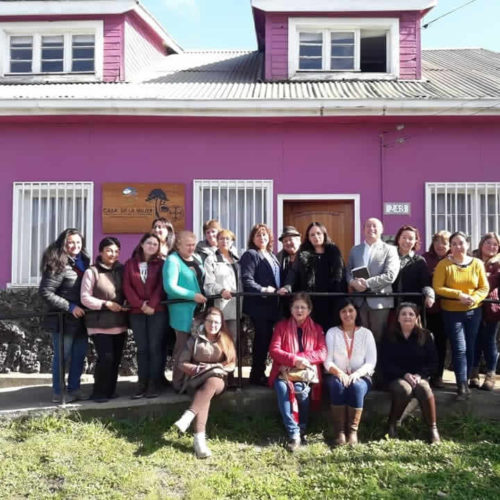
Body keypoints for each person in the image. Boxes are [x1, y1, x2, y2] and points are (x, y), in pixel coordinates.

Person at [172, 307, 236, 458]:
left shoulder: (226, 339)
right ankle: (199, 442)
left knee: (212, 381)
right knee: (204, 397)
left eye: (216, 322)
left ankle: (188, 416)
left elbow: (232, 364)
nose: (213, 325)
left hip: (218, 380)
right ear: (204, 322)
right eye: (210, 321)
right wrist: (198, 369)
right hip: (195, 380)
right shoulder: (194, 339)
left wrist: (215, 368)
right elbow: (182, 363)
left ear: (221, 324)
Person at [433, 231, 489, 400]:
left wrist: (475, 298)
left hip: (473, 311)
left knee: (470, 347)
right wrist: (459, 295)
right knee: (459, 348)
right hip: (452, 312)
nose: (458, 247)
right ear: (450, 246)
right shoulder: (444, 265)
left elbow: (483, 287)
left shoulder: (477, 263)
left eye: (461, 243)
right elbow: (438, 287)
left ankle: (468, 378)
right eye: (454, 243)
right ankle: (461, 385)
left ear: (468, 244)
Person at [268, 293, 326, 451]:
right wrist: (293, 361)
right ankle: (294, 433)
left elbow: (322, 353)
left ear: (309, 310)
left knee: (301, 391)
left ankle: (302, 426)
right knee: (282, 388)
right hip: (284, 371)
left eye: (303, 307)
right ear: (291, 309)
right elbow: (274, 350)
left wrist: (298, 360)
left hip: (305, 371)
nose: (299, 310)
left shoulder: (317, 329)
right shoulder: (281, 326)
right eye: (296, 307)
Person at [39, 228, 90, 404]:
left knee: (79, 355)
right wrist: (70, 307)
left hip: (82, 319)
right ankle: (59, 392)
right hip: (63, 319)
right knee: (62, 357)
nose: (75, 246)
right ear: (63, 244)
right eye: (71, 242)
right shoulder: (57, 263)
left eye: (78, 242)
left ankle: (74, 389)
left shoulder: (84, 261)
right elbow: (45, 292)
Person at [380, 302, 440, 444]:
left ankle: (433, 429)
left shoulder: (425, 336)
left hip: (419, 376)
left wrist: (420, 375)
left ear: (416, 318)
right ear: (398, 318)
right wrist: (405, 374)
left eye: (411, 314)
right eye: (404, 314)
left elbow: (433, 362)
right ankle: (392, 424)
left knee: (424, 388)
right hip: (396, 376)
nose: (407, 317)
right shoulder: (389, 336)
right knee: (404, 389)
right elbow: (385, 362)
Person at [80, 237, 128, 402]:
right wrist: (105, 304)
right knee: (105, 358)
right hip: (99, 324)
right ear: (100, 252)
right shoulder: (91, 272)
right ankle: (98, 392)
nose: (112, 254)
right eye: (109, 250)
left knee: (115, 359)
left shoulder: (122, 270)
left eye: (116, 251)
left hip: (119, 322)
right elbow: (85, 298)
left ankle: (110, 390)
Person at [324, 299, 376, 446]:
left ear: (356, 312)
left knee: (357, 387)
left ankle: (352, 431)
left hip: (361, 375)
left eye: (351, 310)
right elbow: (327, 361)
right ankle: (339, 431)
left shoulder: (366, 334)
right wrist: (339, 373)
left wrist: (356, 375)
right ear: (339, 314)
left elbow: (371, 362)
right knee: (337, 386)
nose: (347, 314)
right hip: (336, 374)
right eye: (343, 311)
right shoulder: (332, 333)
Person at [279, 222, 346, 332]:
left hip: (331, 299)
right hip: (311, 300)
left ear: (324, 235)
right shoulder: (303, 253)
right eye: (312, 235)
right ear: (308, 238)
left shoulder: (334, 252)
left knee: (330, 332)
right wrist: (287, 287)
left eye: (319, 233)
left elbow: (340, 275)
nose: (316, 237)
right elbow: (293, 272)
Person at [123, 233, 167, 399]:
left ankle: (153, 383)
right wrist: (140, 304)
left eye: (155, 244)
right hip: (137, 312)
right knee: (142, 349)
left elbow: (162, 286)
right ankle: (141, 382)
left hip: (157, 311)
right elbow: (127, 287)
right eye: (149, 243)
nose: (152, 246)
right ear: (142, 244)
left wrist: (152, 304)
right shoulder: (130, 264)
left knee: (155, 347)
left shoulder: (161, 264)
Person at [164, 230, 207, 392]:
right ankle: (178, 383)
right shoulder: (172, 260)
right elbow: (170, 286)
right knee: (182, 348)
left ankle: (193, 382)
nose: (191, 248)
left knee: (197, 348)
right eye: (187, 245)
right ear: (178, 245)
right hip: (182, 310)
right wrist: (192, 296)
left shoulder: (196, 258)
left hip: (199, 309)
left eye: (193, 245)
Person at [346, 217, 400, 343]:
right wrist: (352, 282)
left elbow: (390, 275)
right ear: (363, 230)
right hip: (359, 301)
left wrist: (367, 284)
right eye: (368, 226)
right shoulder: (355, 250)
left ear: (381, 230)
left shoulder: (390, 250)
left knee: (378, 339)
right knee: (360, 338)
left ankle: (378, 363)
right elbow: (348, 271)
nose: (371, 229)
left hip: (379, 302)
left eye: (375, 226)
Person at [240, 223, 281, 386]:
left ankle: (264, 371)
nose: (262, 238)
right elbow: (247, 279)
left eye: (264, 235)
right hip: (259, 306)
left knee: (269, 339)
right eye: (258, 235)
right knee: (261, 340)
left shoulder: (272, 255)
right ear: (252, 238)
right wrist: (263, 289)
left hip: (273, 306)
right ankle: (256, 374)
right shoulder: (251, 254)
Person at [470, 232, 500, 391]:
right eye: (488, 243)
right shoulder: (472, 259)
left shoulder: (498, 263)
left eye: (495, 244)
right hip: (473, 305)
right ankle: (473, 373)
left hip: (491, 306)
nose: (492, 247)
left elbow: (490, 283)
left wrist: (482, 278)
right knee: (474, 340)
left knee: (489, 341)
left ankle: (490, 375)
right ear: (481, 244)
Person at [422, 230, 451, 388]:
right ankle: (425, 374)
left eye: (444, 242)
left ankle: (438, 375)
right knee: (425, 342)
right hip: (427, 308)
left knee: (441, 342)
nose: (440, 245)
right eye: (437, 241)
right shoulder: (425, 258)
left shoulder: (453, 259)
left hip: (446, 308)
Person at [204, 229, 240, 342]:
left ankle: (231, 360)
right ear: (217, 241)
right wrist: (221, 290)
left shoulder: (237, 260)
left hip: (236, 307)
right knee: (218, 340)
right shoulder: (211, 260)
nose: (224, 241)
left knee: (232, 340)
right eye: (221, 239)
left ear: (232, 242)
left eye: (227, 239)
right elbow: (208, 284)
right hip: (219, 307)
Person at [393, 225, 434, 310]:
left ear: (415, 241)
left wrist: (430, 296)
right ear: (398, 239)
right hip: (391, 304)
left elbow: (425, 283)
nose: (407, 241)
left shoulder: (419, 261)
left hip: (412, 306)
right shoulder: (390, 257)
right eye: (404, 237)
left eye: (411, 238)